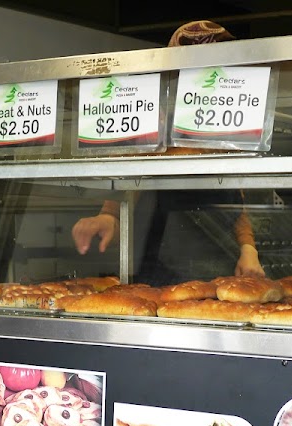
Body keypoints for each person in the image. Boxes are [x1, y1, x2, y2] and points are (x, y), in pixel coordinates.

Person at [71, 20, 265, 280]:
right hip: (160, 273)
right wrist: (107, 217)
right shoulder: (154, 127)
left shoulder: (225, 130)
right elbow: (126, 186)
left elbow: (233, 196)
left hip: (219, 268)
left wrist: (248, 247)